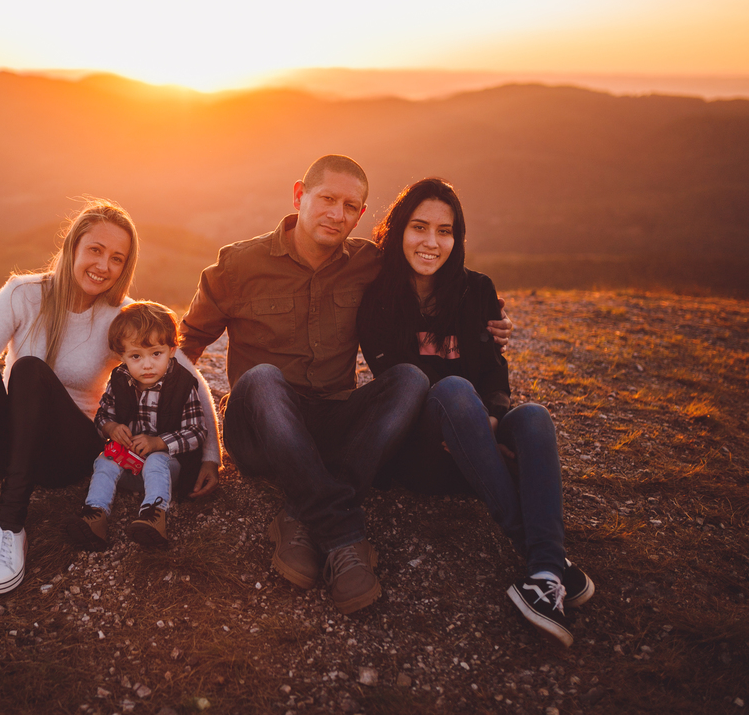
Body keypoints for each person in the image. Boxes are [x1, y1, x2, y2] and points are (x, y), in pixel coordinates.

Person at [180, 155, 513, 615]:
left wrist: (488, 320)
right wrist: (198, 445)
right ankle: (343, 533)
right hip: (260, 427)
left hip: (333, 420)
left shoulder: (370, 264)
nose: (338, 214)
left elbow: (434, 286)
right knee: (262, 379)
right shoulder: (239, 265)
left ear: (362, 214)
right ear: (300, 195)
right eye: (327, 199)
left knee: (410, 379)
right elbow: (184, 347)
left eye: (351, 206)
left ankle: (301, 513)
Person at [0, 200, 220, 595]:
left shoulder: (121, 316)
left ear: (125, 267)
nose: (103, 265)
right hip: (7, 447)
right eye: (95, 250)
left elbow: (186, 373)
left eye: (117, 259)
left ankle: (11, 525)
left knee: (30, 369)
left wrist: (210, 454)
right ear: (73, 247)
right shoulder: (23, 294)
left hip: (65, 452)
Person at [357, 177, 594, 646]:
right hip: (422, 451)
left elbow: (494, 370)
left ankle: (544, 576)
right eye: (419, 227)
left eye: (444, 231)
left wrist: (489, 416)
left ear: (456, 238)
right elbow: (405, 381)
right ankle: (536, 550)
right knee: (452, 389)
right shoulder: (376, 297)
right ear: (399, 229)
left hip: (476, 445)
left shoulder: (478, 291)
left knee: (532, 417)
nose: (431, 242)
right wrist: (467, 410)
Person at [70, 301, 206, 549]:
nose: (147, 364)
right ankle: (95, 515)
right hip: (129, 466)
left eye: (156, 353)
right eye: (136, 356)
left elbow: (197, 432)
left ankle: (154, 517)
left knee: (156, 459)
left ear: (172, 350)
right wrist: (110, 428)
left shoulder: (183, 385)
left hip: (169, 470)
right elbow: (102, 415)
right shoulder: (120, 379)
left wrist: (159, 442)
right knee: (105, 459)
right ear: (122, 357)